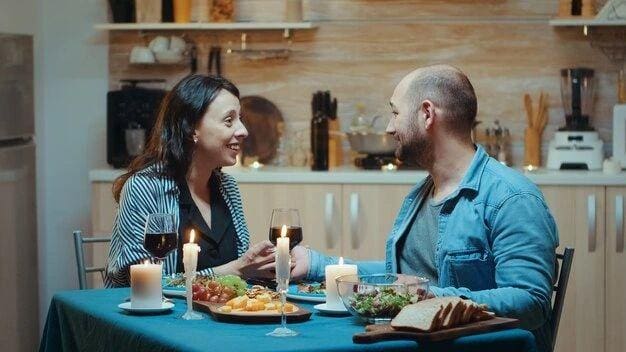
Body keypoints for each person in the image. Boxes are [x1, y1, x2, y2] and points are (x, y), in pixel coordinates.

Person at [291, 64, 558, 352]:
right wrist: (319, 265)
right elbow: (399, 277)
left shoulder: (512, 197)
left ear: (427, 114)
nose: (389, 127)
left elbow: (531, 302)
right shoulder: (422, 193)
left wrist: (426, 295)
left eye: (395, 113)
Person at [105, 74, 276, 288]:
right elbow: (145, 283)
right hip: (158, 319)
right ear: (191, 128)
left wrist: (265, 264)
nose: (243, 131)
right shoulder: (144, 187)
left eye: (240, 119)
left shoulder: (228, 187)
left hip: (220, 317)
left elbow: (240, 273)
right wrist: (233, 270)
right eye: (229, 120)